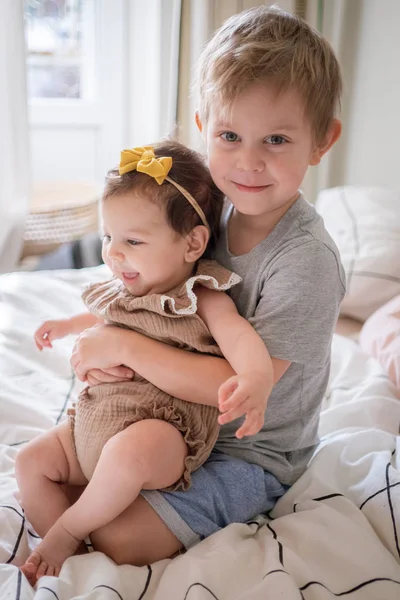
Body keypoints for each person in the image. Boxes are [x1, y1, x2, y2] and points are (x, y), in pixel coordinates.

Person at [22, 3, 346, 576]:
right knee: (37, 465)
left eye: (276, 138)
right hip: (159, 411)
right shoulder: (207, 214)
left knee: (123, 537)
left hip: (248, 449)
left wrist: (124, 351)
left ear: (322, 141)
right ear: (202, 126)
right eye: (229, 134)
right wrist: (104, 346)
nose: (248, 161)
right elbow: (147, 295)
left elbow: (235, 383)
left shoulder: (305, 263)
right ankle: (74, 529)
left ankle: (83, 525)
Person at [16, 141, 274, 583]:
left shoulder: (204, 294)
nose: (114, 254)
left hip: (162, 434)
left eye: (133, 241)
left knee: (128, 453)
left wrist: (256, 376)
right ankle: (78, 557)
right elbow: (102, 314)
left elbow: (238, 335)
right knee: (29, 461)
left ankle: (68, 529)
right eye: (108, 237)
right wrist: (66, 326)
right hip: (94, 425)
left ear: (192, 242)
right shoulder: (123, 288)